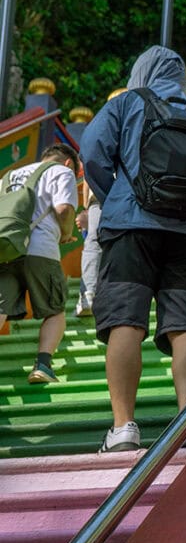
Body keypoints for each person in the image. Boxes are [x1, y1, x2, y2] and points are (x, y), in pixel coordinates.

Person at [81, 45, 186, 452]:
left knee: (126, 323)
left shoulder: (129, 103)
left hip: (130, 231)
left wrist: (119, 195)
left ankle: (123, 428)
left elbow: (91, 152)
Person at [0, 144, 79, 384]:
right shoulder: (61, 172)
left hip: (6, 248)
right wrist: (66, 233)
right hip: (40, 249)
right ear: (68, 163)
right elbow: (64, 209)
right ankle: (43, 365)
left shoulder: (9, 176)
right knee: (55, 310)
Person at [75, 181, 101, 317]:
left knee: (93, 242)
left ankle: (88, 294)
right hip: (131, 196)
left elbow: (87, 178)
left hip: (98, 197)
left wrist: (86, 208)